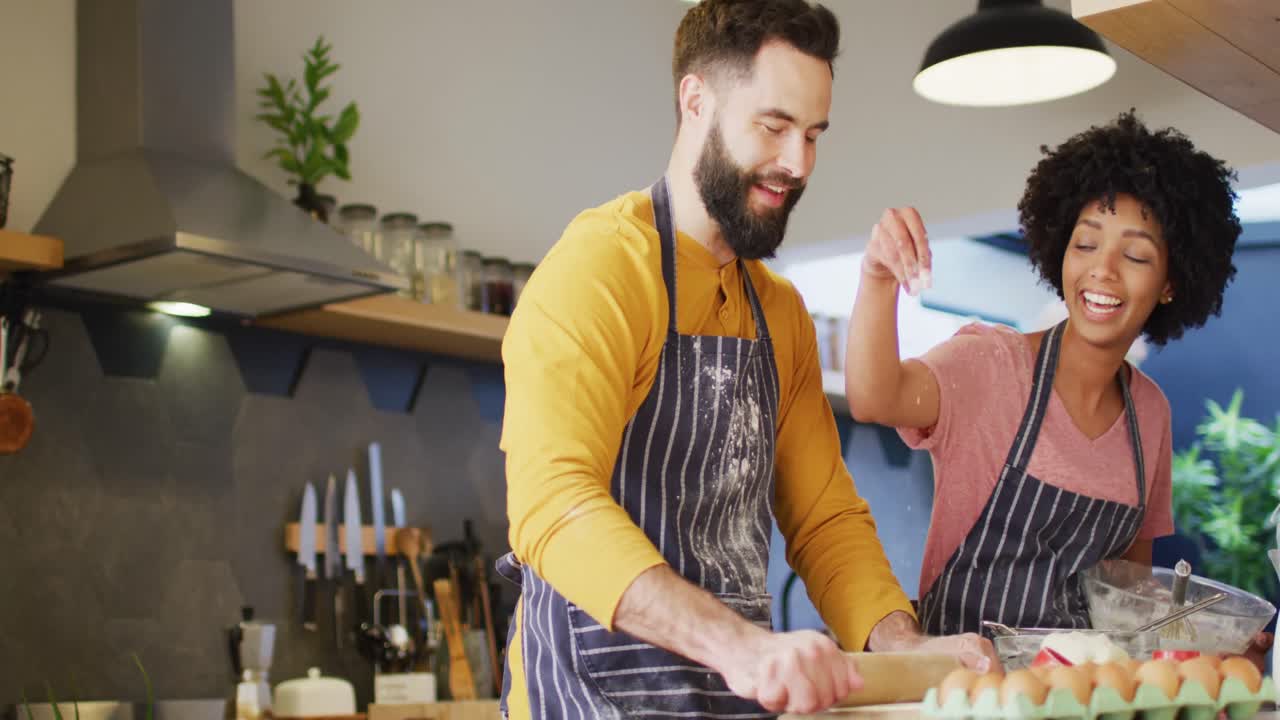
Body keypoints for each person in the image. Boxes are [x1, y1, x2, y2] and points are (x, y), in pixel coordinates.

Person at [497, 1, 994, 717]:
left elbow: (824, 520)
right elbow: (553, 505)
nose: (797, 163)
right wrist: (741, 648)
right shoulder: (602, 268)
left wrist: (899, 642)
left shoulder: (778, 313)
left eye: (814, 134)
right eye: (774, 125)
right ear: (695, 100)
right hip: (589, 701)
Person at [843, 111, 1250, 641]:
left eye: (1134, 255)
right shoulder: (989, 365)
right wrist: (877, 275)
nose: (1102, 269)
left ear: (1171, 282)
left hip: (1078, 695)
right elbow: (874, 398)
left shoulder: (1149, 414)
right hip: (960, 692)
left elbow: (1127, 592)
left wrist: (1210, 634)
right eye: (1085, 244)